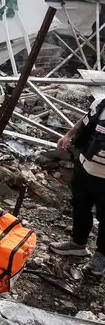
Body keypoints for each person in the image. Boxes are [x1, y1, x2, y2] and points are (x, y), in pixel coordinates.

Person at [52, 97, 105, 275]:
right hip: (84, 168)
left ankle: (101, 257)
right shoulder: (100, 103)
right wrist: (68, 135)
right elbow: (86, 118)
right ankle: (78, 243)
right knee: (80, 206)